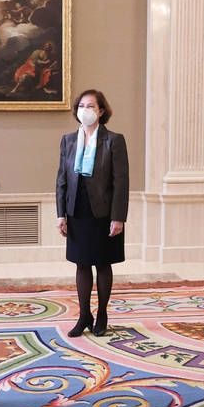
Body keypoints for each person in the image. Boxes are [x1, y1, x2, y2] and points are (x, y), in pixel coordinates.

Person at [56, 89, 129, 338]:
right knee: (81, 263)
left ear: (101, 111)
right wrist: (61, 214)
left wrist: (118, 217)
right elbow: (61, 179)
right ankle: (84, 315)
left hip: (104, 212)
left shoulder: (114, 140)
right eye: (81, 106)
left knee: (103, 263)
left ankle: (102, 314)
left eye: (90, 106)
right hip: (77, 210)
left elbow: (121, 182)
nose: (85, 110)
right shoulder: (68, 140)